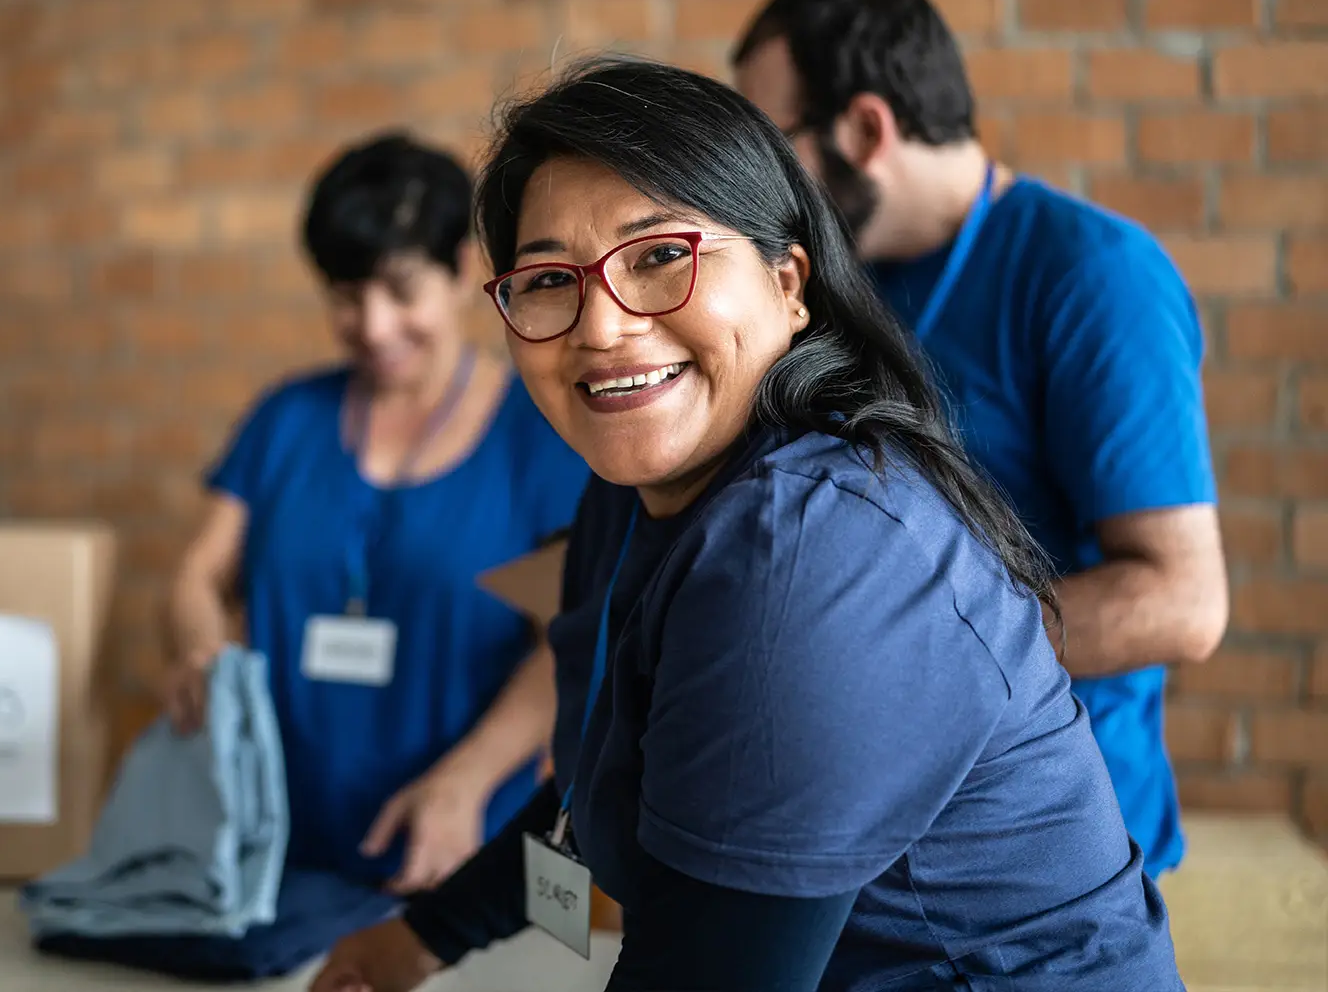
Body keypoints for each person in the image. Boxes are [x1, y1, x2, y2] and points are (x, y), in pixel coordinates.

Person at [309, 60, 1185, 991]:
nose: (601, 327)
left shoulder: (816, 549)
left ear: (788, 283)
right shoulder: (629, 497)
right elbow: (607, 794)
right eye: (549, 278)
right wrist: (425, 938)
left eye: (659, 256)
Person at [733, 0, 1228, 879]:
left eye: (778, 146)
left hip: (1052, 854)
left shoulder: (1092, 274)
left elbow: (1180, 603)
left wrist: (882, 655)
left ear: (866, 127)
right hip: (865, 824)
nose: (766, 190)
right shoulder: (838, 281)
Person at [164, 133, 591, 896]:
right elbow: (200, 572)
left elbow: (571, 642)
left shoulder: (536, 436)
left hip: (458, 856)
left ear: (462, 269)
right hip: (277, 848)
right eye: (345, 294)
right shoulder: (287, 418)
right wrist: (201, 652)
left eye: (399, 290)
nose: (373, 325)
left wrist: (464, 781)